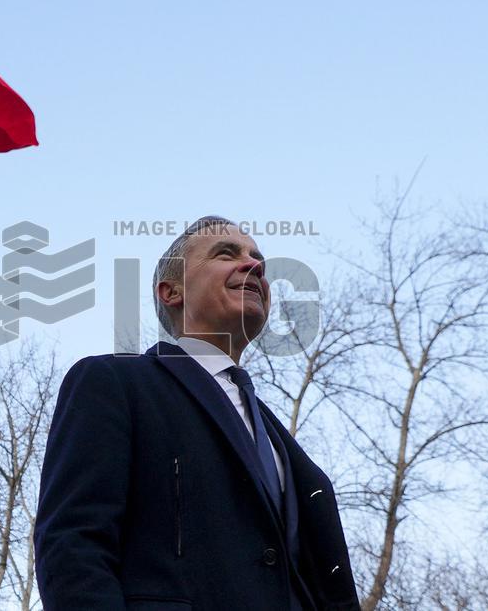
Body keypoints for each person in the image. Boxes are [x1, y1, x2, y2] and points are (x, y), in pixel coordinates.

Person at [34, 216, 360, 610]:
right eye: (227, 253)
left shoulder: (278, 440)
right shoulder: (113, 383)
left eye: (259, 259)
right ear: (171, 291)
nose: (254, 265)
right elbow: (73, 546)